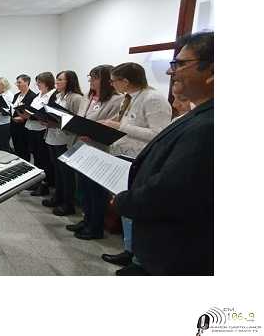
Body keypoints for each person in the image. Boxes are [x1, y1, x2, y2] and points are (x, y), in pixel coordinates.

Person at [114, 31, 213, 275]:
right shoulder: (200, 114)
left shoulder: (208, 124)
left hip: (181, 250)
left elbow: (173, 187)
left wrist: (125, 201)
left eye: (180, 64)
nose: (171, 72)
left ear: (212, 70)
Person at [98, 62, 172, 272]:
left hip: (138, 159)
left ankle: (138, 258)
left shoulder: (153, 99)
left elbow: (159, 134)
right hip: (122, 154)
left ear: (126, 81)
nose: (112, 85)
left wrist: (120, 126)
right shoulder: (128, 98)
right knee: (125, 208)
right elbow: (124, 121)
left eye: (114, 81)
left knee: (135, 208)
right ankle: (129, 249)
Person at [67, 65, 124, 240]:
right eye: (90, 77)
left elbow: (113, 127)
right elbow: (80, 117)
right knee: (84, 188)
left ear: (106, 80)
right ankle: (86, 220)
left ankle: (96, 227)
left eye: (95, 77)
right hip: (82, 146)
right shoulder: (88, 96)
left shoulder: (117, 100)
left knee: (96, 191)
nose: (91, 81)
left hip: (99, 149)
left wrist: (91, 132)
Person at [41, 70, 86, 216]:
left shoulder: (76, 98)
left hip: (65, 140)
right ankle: (58, 197)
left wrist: (56, 123)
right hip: (53, 137)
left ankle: (68, 204)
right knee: (58, 171)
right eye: (57, 79)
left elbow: (77, 122)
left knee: (67, 174)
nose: (57, 82)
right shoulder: (58, 95)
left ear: (70, 81)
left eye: (60, 79)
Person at [20, 72, 55, 196]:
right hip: (32, 127)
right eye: (37, 82)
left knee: (43, 158)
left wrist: (33, 115)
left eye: (40, 82)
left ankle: (44, 184)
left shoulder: (52, 95)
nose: (37, 84)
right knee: (36, 157)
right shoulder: (38, 95)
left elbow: (47, 113)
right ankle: (37, 181)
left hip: (41, 129)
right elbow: (32, 109)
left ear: (47, 83)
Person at [10, 74, 37, 161]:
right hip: (14, 125)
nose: (17, 84)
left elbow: (33, 113)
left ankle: (25, 166)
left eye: (19, 82)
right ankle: (18, 164)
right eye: (17, 83)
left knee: (24, 150)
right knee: (17, 148)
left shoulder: (32, 96)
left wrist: (23, 118)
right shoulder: (16, 95)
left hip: (24, 127)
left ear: (27, 82)